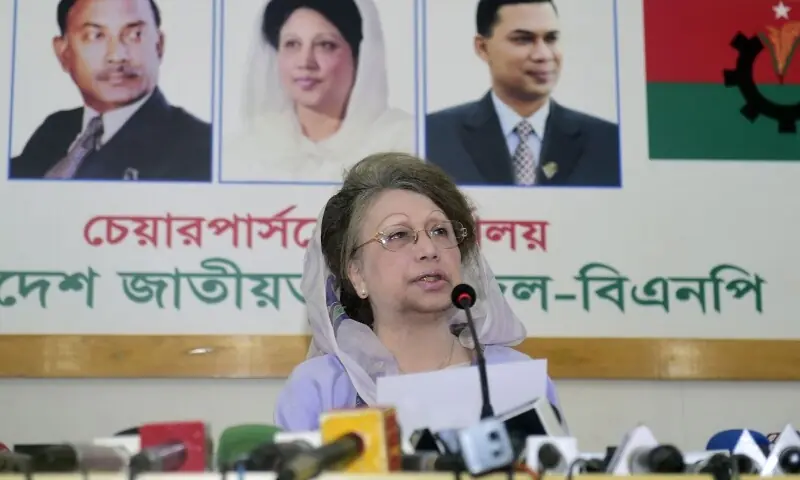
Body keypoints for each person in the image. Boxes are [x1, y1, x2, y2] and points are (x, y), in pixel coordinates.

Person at [274, 152, 563, 431]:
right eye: (398, 235)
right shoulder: (321, 388)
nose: (429, 249)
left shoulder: (514, 378)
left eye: (440, 231)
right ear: (357, 273)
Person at [9, 0, 211, 181]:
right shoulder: (57, 127)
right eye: (95, 36)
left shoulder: (200, 148)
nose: (117, 55)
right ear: (64, 53)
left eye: (135, 35)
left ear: (159, 46)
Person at [425, 0, 620, 187]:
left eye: (551, 38)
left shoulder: (607, 140)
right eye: (523, 39)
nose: (543, 55)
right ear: (483, 48)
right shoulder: (434, 135)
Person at [220, 0, 416, 183]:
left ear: (358, 57)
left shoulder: (403, 142)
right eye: (292, 44)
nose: (305, 62)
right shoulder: (241, 153)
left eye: (325, 45)